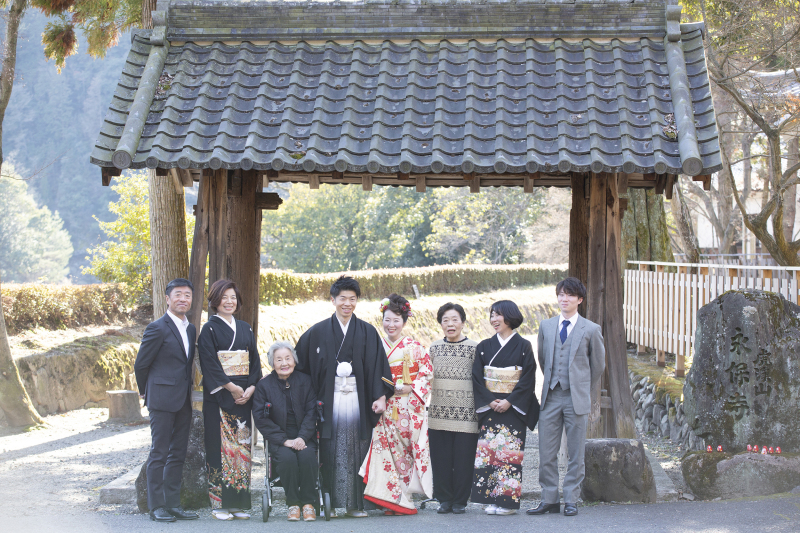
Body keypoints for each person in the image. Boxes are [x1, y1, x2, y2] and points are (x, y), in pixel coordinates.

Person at [295, 275, 394, 517]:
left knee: (360, 447)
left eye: (352, 299)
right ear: (333, 300)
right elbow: (300, 368)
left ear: (357, 301)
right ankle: (331, 501)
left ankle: (355, 504)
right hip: (328, 402)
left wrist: (380, 396)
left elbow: (380, 367)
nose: (347, 303)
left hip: (359, 401)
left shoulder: (368, 332)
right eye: (342, 299)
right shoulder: (317, 332)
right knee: (329, 448)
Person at [527, 277, 605, 517]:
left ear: (579, 299)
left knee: (575, 451)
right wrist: (553, 381)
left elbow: (598, 366)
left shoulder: (591, 329)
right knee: (546, 451)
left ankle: (571, 498)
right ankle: (549, 498)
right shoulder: (546, 326)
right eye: (561, 294)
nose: (564, 299)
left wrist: (580, 386)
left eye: (570, 295)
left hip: (576, 397)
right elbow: (543, 359)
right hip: (550, 396)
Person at [360, 294, 433, 515]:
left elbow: (427, 373)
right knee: (384, 453)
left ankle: (405, 497)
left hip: (406, 407)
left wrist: (411, 388)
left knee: (405, 452)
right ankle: (388, 498)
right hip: (382, 406)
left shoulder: (414, 346)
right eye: (387, 320)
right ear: (381, 320)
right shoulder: (374, 345)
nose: (391, 325)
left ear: (404, 322)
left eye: (396, 320)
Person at [134, 278, 199, 522]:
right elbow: (141, 364)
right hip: (161, 398)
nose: (183, 299)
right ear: (168, 299)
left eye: (187, 295)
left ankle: (173, 504)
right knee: (159, 452)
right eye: (178, 294)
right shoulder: (157, 328)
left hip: (183, 399)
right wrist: (145, 391)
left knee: (178, 453)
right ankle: (156, 506)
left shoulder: (190, 328)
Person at [197, 279, 262, 520]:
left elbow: (254, 361)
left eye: (233, 297)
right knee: (219, 448)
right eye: (224, 297)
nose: (229, 302)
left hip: (243, 396)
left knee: (241, 449)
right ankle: (219, 505)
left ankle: (237, 503)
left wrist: (251, 387)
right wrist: (231, 387)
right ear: (214, 301)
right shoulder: (209, 329)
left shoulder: (245, 328)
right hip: (221, 396)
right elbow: (209, 364)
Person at [471, 300, 538, 516]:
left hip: (512, 407)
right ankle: (491, 498)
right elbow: (477, 378)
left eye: (498, 314)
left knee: (509, 456)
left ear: (510, 316)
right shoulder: (483, 347)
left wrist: (509, 401)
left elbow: (528, 379)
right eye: (491, 315)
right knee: (489, 453)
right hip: (490, 407)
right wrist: (490, 400)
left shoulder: (524, 346)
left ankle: (507, 503)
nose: (493, 319)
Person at [253, 341, 319, 522]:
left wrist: (302, 437)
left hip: (304, 436)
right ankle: (293, 504)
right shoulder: (264, 385)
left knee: (307, 457)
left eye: (288, 358)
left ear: (294, 360)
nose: (284, 363)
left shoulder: (306, 381)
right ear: (272, 363)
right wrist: (284, 440)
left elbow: (312, 412)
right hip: (279, 438)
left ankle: (308, 503)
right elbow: (261, 418)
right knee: (287, 458)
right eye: (279, 359)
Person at [427, 302, 479, 515]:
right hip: (438, 414)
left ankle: (460, 501)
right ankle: (444, 500)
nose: (450, 324)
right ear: (440, 324)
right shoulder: (433, 348)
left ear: (463, 323)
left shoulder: (475, 348)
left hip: (467, 415)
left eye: (454, 319)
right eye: (445, 320)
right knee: (441, 460)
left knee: (464, 460)